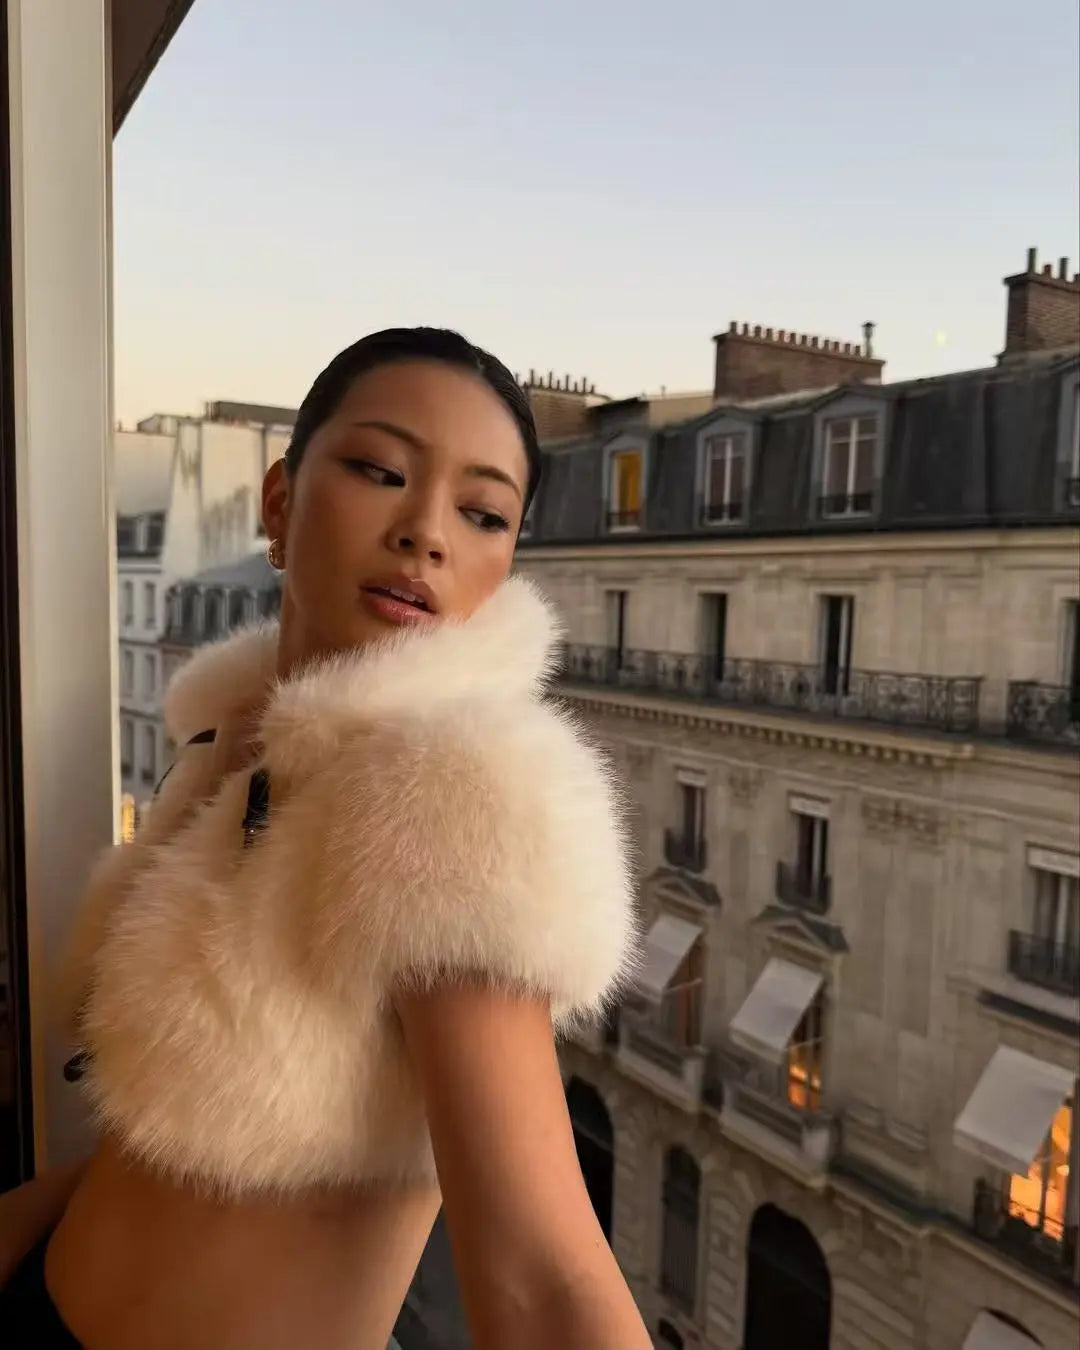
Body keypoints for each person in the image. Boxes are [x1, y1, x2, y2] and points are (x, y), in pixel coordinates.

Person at [0, 328, 650, 1350]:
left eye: (483, 513)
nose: (426, 534)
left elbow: (544, 1276)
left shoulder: (455, 791)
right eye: (381, 471)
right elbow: (157, 1166)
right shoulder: (233, 758)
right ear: (278, 502)